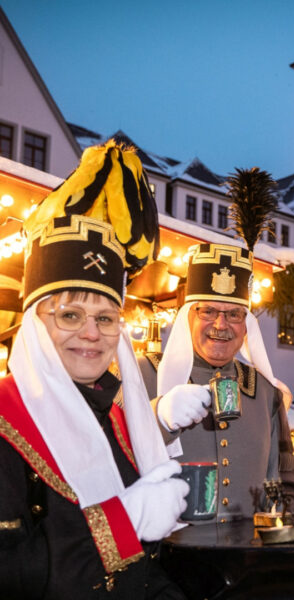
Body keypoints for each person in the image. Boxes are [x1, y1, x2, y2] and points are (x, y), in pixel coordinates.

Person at [0, 214, 188, 598]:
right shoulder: (5, 418)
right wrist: (122, 522)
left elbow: (145, 572)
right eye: (70, 315)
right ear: (36, 326)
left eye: (105, 318)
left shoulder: (118, 420)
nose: (91, 333)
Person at [139, 243, 294, 522]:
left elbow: (286, 483)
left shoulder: (264, 392)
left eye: (234, 314)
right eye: (208, 311)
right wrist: (158, 416)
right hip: (168, 559)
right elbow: (111, 462)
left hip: (246, 557)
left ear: (246, 324)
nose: (221, 324)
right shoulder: (144, 375)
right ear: (188, 316)